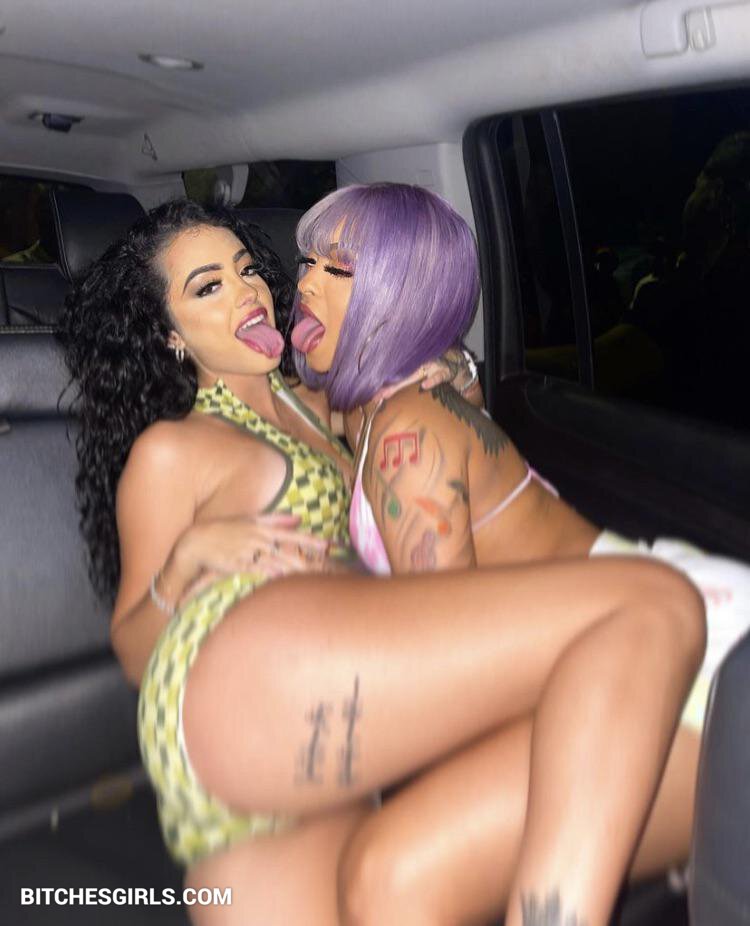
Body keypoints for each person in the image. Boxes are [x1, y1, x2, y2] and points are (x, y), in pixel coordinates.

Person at [61, 198, 704, 926]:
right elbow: (134, 651)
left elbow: (412, 400)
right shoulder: (172, 449)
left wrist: (450, 361)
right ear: (170, 335)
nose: (246, 292)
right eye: (208, 287)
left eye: (246, 270)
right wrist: (182, 565)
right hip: (241, 684)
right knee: (643, 608)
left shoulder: (313, 404)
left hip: (338, 692)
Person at [290, 180, 748, 924]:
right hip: (608, 641)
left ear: (399, 298)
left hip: (685, 661)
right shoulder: (363, 407)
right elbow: (276, 399)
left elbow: (447, 668)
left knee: (392, 877)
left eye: (338, 268)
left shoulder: (409, 433)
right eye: (307, 260)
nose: (306, 281)